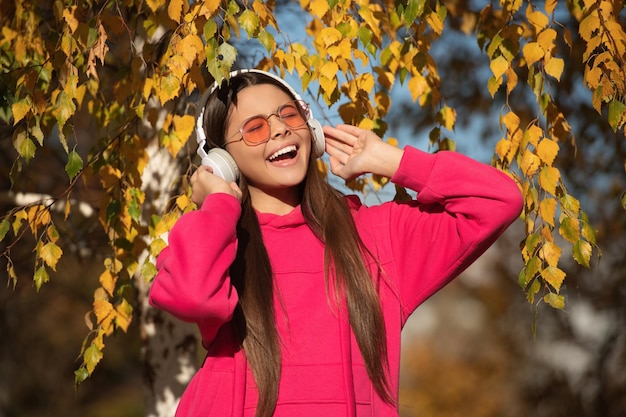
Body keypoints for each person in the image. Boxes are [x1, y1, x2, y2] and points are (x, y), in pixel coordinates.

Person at [148, 69, 523, 417]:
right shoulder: (219, 241)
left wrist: (391, 161)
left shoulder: (376, 236)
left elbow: (498, 201)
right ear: (223, 159)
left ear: (310, 127)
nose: (279, 130)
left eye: (289, 115)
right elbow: (192, 294)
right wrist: (219, 202)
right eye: (256, 128)